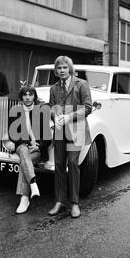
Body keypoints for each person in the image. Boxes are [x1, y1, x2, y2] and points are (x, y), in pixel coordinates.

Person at [48, 56, 92, 218]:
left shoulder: (81, 85)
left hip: (77, 129)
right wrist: (55, 117)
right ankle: (59, 201)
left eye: (65, 68)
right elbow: (52, 107)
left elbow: (88, 108)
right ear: (56, 70)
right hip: (60, 130)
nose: (62, 71)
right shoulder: (54, 88)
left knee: (73, 164)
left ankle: (74, 203)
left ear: (70, 69)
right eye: (59, 68)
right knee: (59, 164)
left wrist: (68, 116)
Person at [9, 85, 51, 214]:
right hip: (22, 145)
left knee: (23, 162)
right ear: (21, 97)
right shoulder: (15, 111)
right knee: (23, 151)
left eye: (30, 94)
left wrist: (38, 146)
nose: (27, 97)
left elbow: (48, 137)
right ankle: (32, 185)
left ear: (34, 96)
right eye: (25, 94)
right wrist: (26, 144)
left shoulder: (41, 112)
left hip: (36, 150)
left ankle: (25, 198)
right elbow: (12, 134)